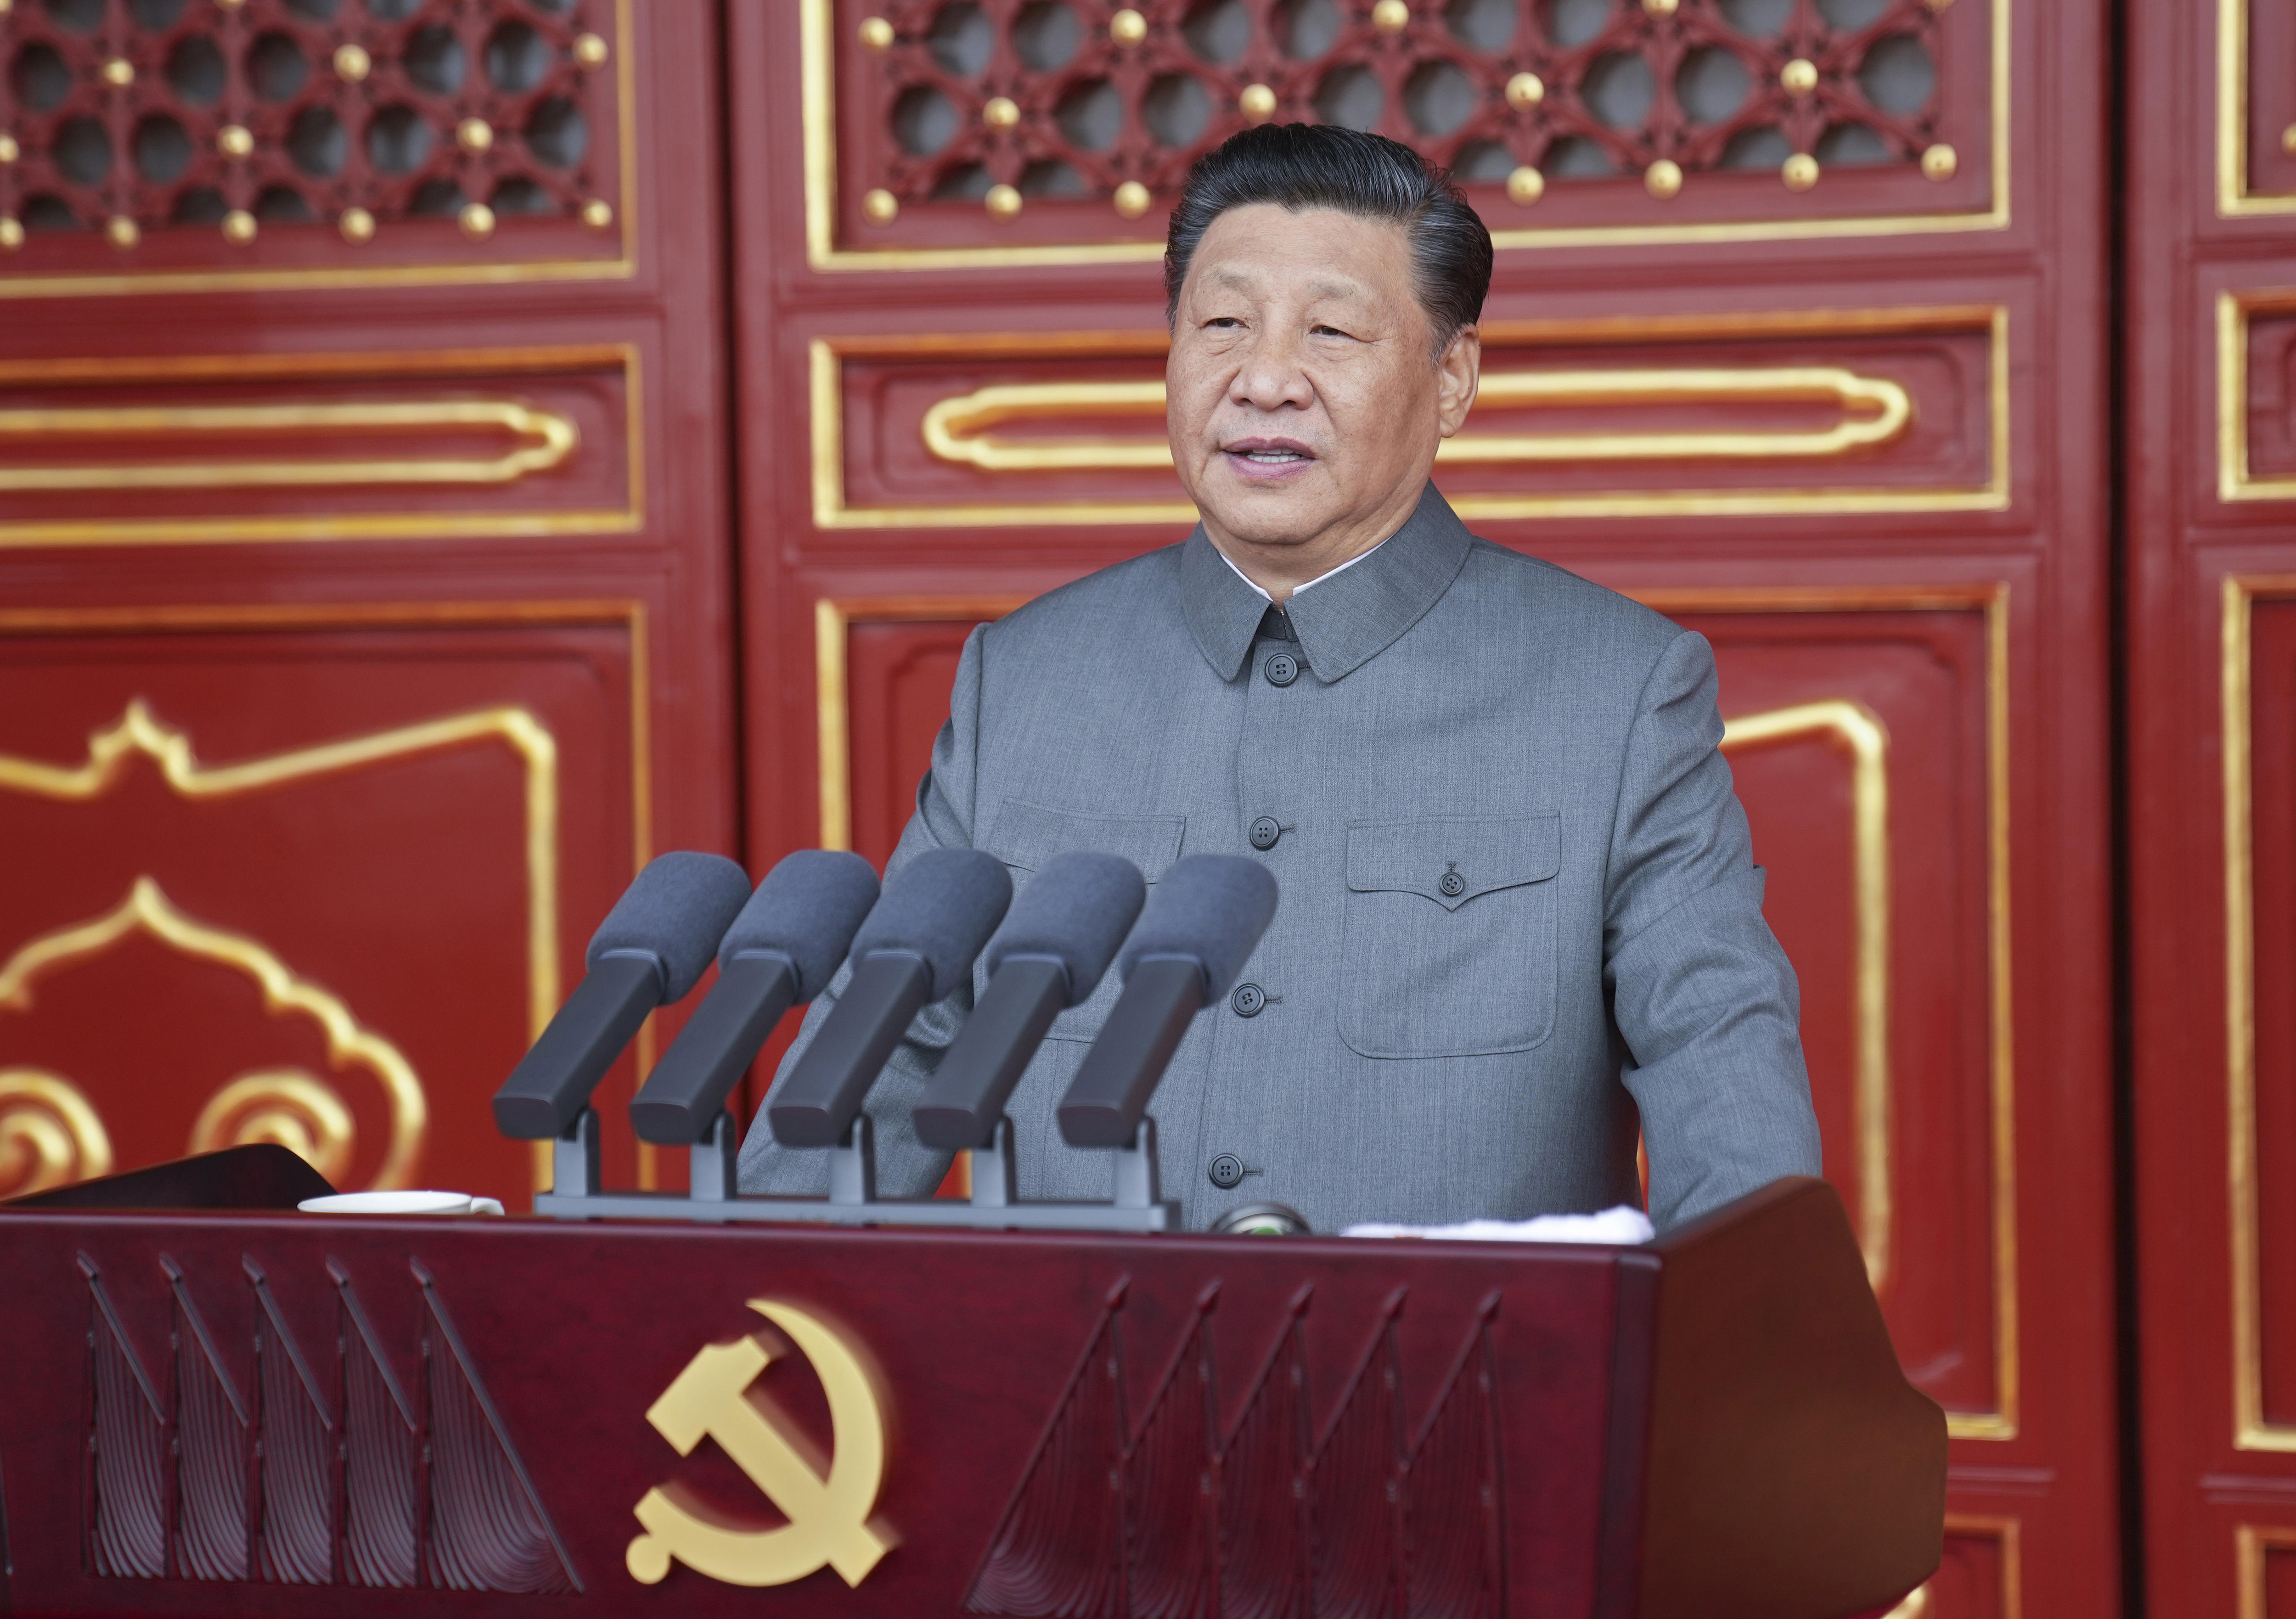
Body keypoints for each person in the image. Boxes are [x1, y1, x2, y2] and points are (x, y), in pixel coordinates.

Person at [740, 124, 1821, 1233]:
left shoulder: (1615, 693)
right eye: (1221, 324)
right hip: (1080, 1394)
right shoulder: (1023, 680)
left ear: (1451, 379)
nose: (1263, 380)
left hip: (1458, 1395)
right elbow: (886, 1065)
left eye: (1332, 332)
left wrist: (1750, 1370)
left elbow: (1717, 1063)